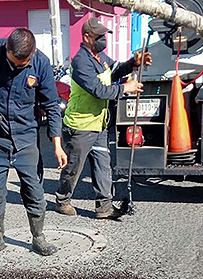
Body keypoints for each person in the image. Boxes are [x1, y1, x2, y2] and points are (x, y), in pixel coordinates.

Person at [0, 28, 68, 258]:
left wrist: (57, 145)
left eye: (23, 64)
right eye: (14, 63)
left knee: (34, 190)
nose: (18, 67)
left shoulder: (41, 63)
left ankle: (38, 237)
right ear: (6, 48)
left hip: (26, 136)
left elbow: (51, 105)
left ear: (32, 54)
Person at [55, 17, 151, 219]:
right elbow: (98, 91)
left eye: (104, 36)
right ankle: (62, 200)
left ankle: (104, 207)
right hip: (80, 125)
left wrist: (133, 63)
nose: (103, 40)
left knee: (103, 164)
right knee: (74, 166)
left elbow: (115, 71)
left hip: (99, 123)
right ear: (87, 37)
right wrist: (125, 88)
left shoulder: (100, 57)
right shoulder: (81, 61)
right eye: (99, 36)